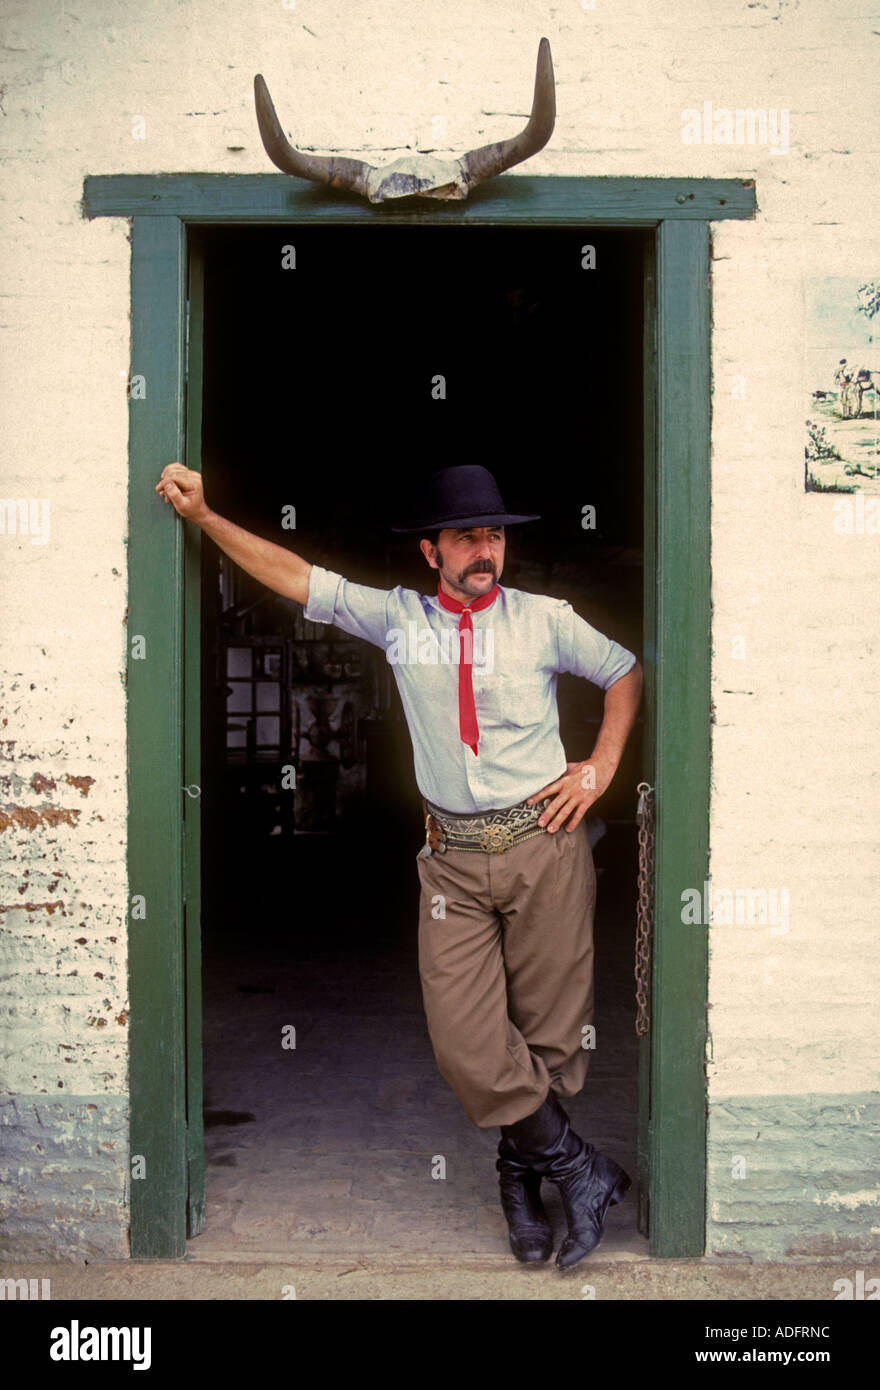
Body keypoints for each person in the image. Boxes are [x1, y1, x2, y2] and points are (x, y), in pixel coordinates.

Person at [155, 460, 644, 1271]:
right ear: (431, 552)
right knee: (465, 1041)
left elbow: (624, 670)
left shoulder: (545, 619)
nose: (483, 550)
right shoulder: (398, 620)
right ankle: (578, 1168)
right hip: (451, 860)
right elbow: (300, 578)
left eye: (493, 536)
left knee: (552, 1043)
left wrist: (598, 769)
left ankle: (521, 1187)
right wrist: (207, 518)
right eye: (465, 538)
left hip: (545, 847)